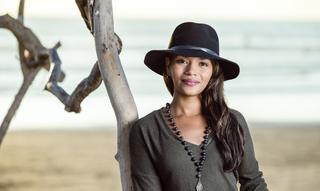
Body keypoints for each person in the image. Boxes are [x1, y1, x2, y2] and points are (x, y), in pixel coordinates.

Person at [129, 22, 268, 191]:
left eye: (202, 64)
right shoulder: (146, 130)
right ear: (168, 65)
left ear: (213, 71)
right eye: (182, 61)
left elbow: (253, 183)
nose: (191, 71)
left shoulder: (232, 121)